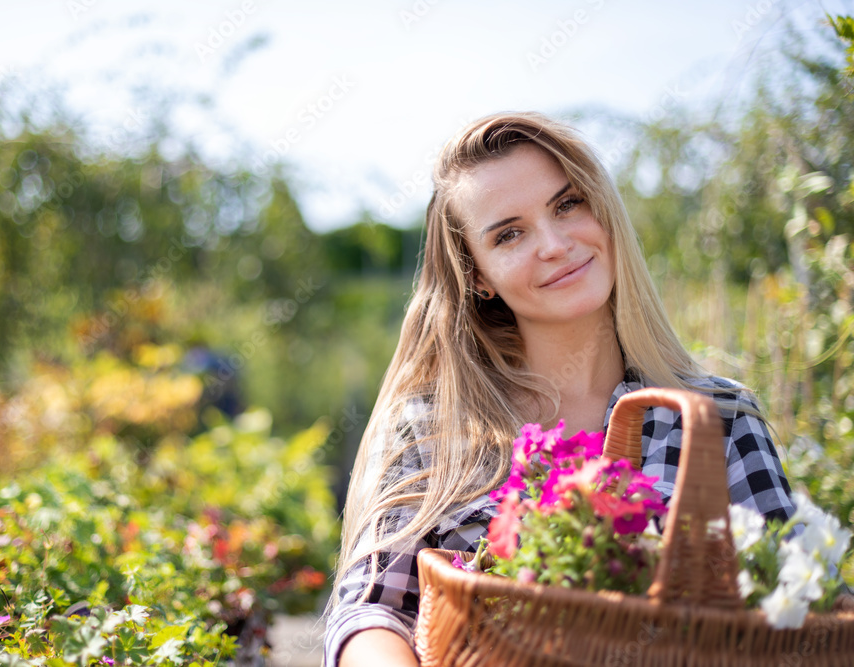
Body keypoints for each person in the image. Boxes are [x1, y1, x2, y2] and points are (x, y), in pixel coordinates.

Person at [322, 112, 796, 667]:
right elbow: (372, 612)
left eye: (567, 204)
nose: (554, 244)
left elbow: (794, 605)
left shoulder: (718, 417)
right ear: (478, 275)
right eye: (510, 234)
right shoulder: (433, 425)